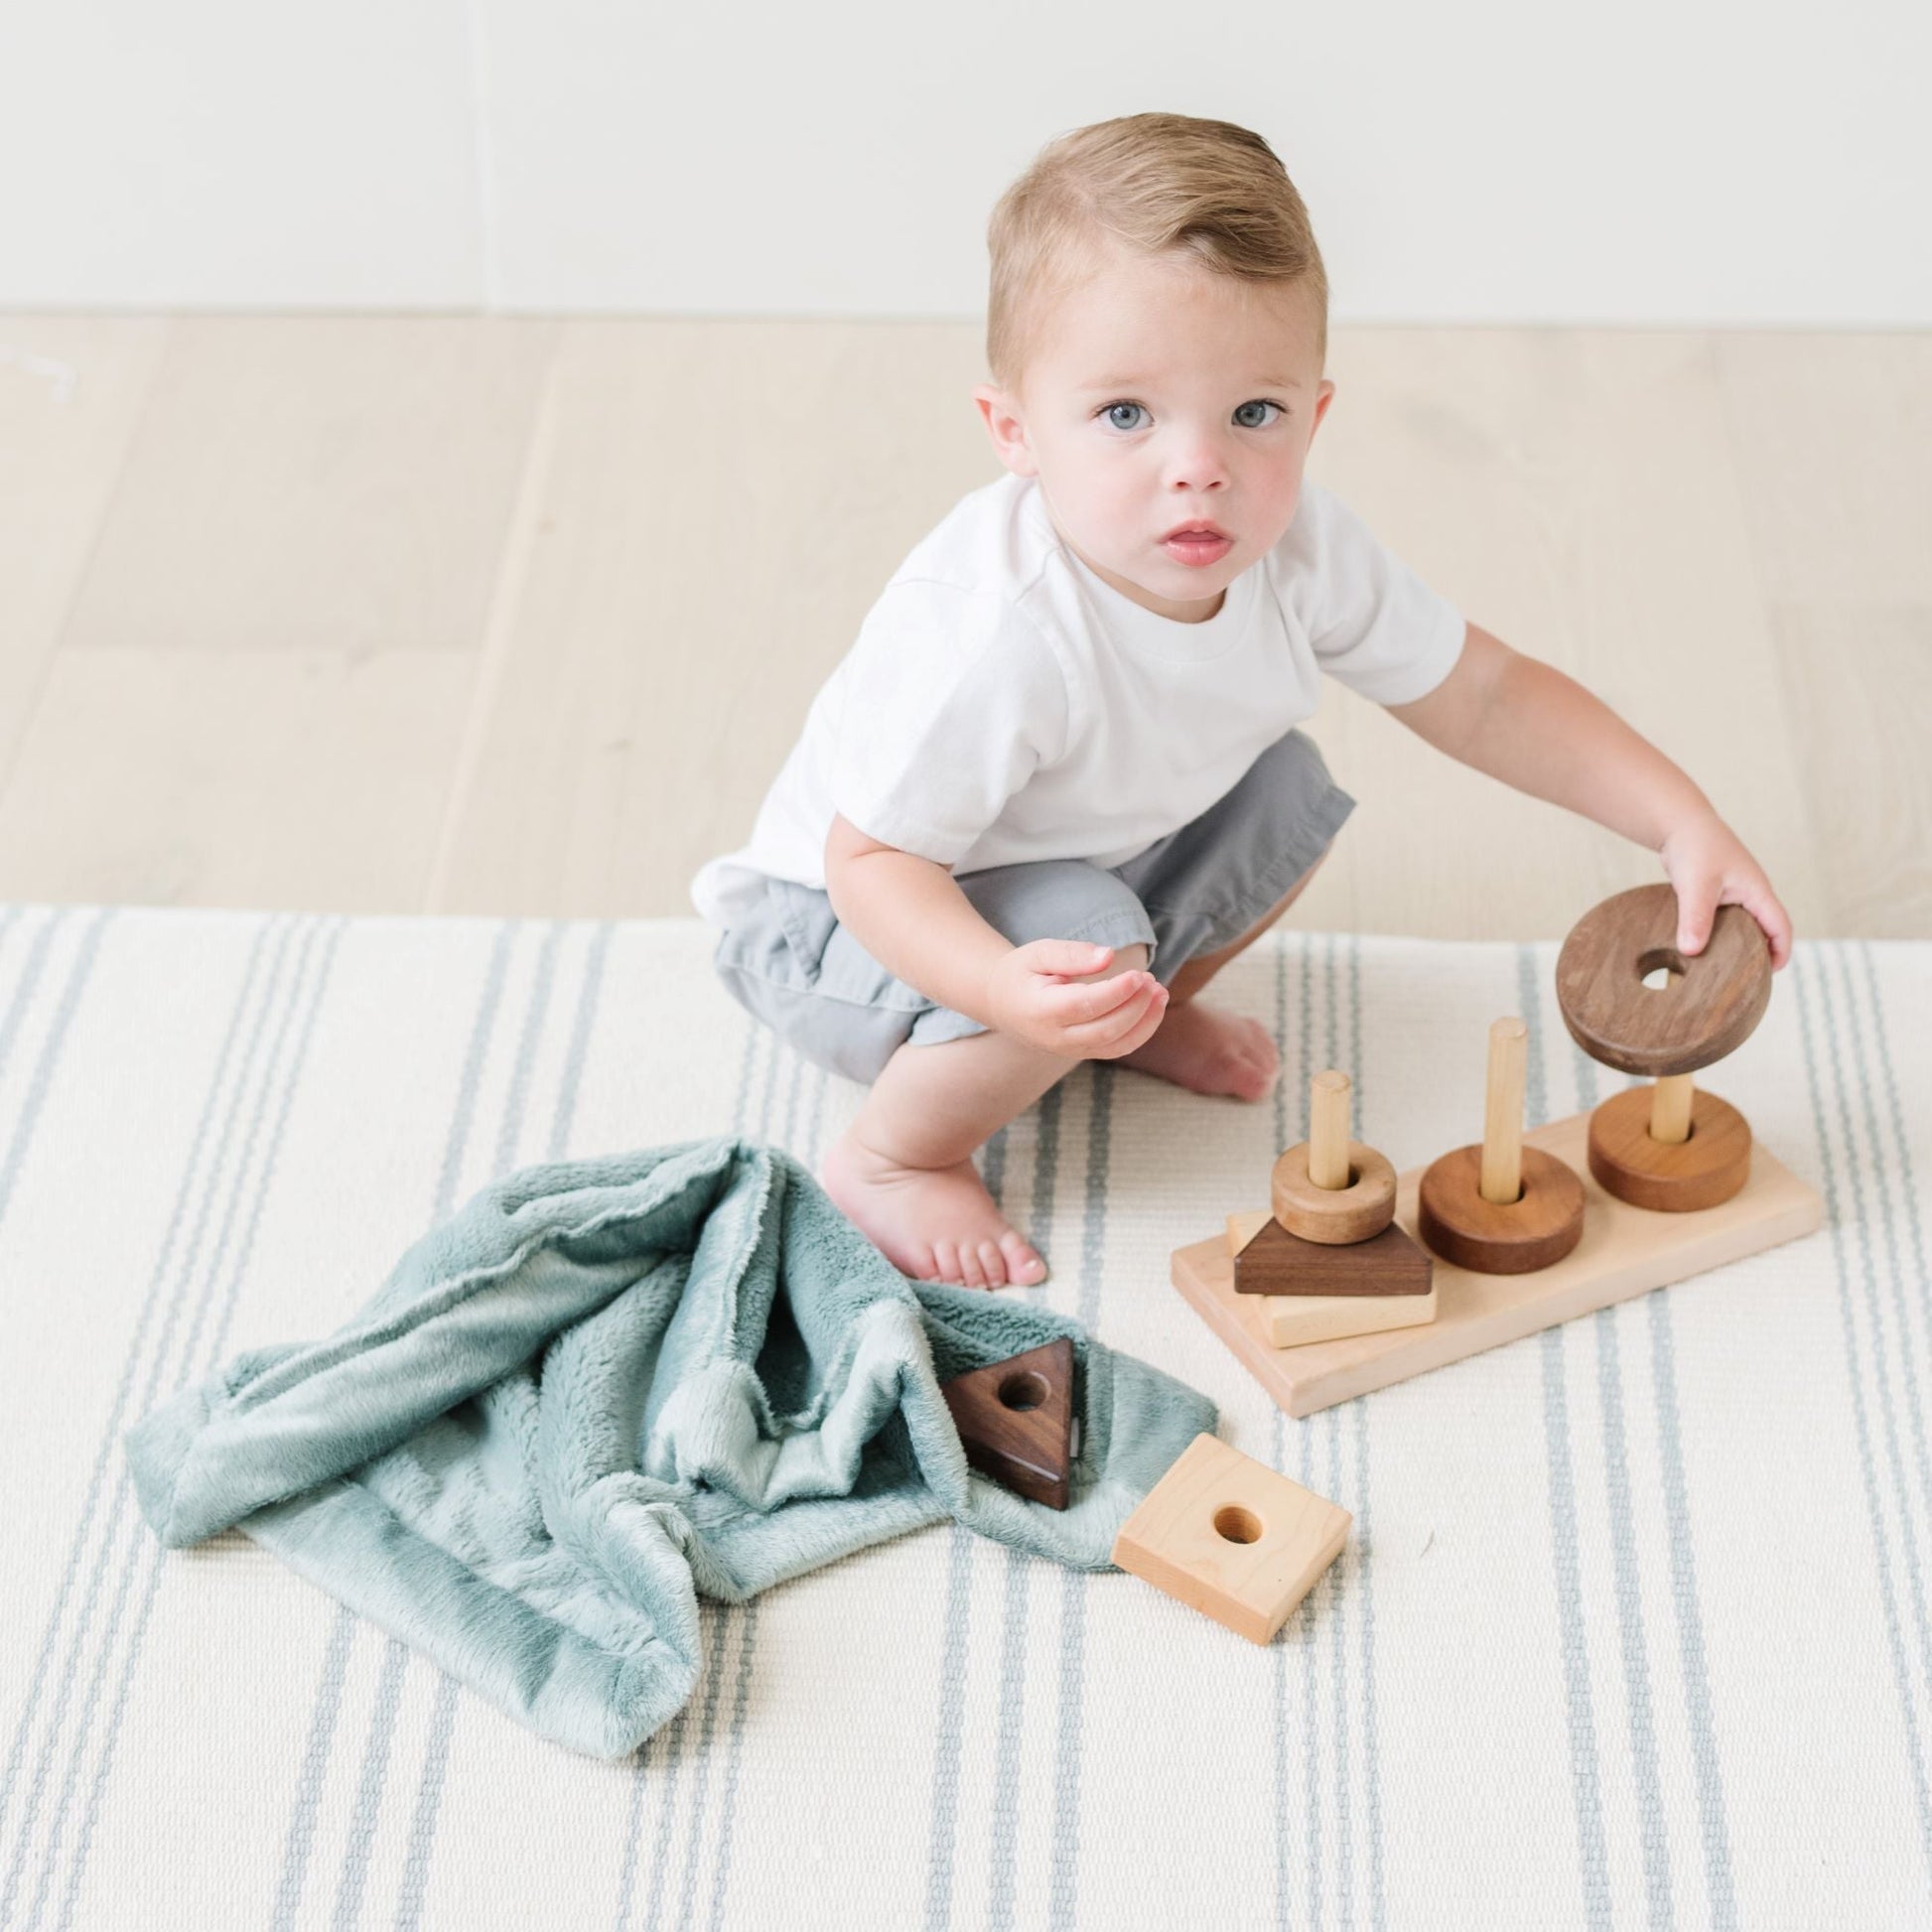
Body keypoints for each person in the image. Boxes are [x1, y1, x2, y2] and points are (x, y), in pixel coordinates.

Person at [688, 111, 1793, 1292]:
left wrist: (1678, 819)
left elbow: (1483, 692)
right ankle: (897, 1154)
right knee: (1091, 927)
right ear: (1013, 431)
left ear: (1311, 415)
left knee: (1285, 792)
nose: (1197, 465)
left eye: (1250, 414)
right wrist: (999, 987)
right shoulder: (998, 633)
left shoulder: (1298, 547)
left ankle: (1130, 1012)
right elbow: (872, 864)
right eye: (1124, 415)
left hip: (1042, 879)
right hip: (830, 933)